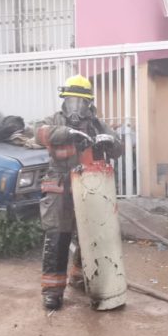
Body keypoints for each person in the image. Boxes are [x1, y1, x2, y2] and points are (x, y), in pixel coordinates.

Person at [35, 75, 123, 310]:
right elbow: (38, 133)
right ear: (64, 99)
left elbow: (119, 148)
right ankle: (52, 291)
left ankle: (79, 276)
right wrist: (66, 133)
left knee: (91, 234)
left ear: (89, 103)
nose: (76, 106)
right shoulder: (54, 120)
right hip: (60, 185)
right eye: (72, 100)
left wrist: (109, 142)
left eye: (81, 101)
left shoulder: (96, 124)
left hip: (89, 185)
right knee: (58, 237)